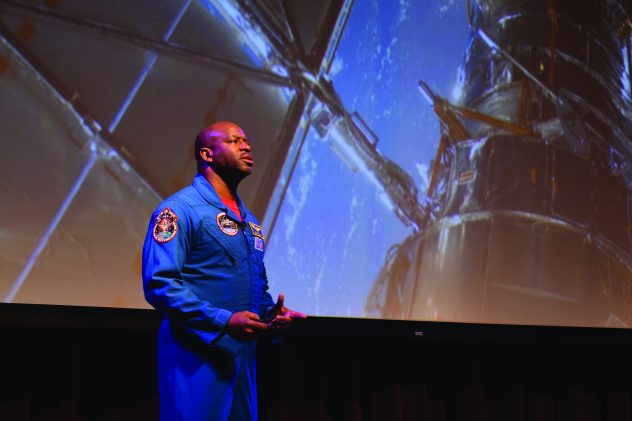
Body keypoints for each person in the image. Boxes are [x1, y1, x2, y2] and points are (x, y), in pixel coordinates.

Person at [142, 121, 306, 421]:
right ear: (207, 155)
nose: (247, 146)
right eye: (235, 141)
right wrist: (223, 320)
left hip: (241, 365)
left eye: (247, 141)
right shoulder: (179, 210)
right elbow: (160, 284)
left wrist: (271, 317)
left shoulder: (250, 222)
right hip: (195, 363)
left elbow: (256, 286)